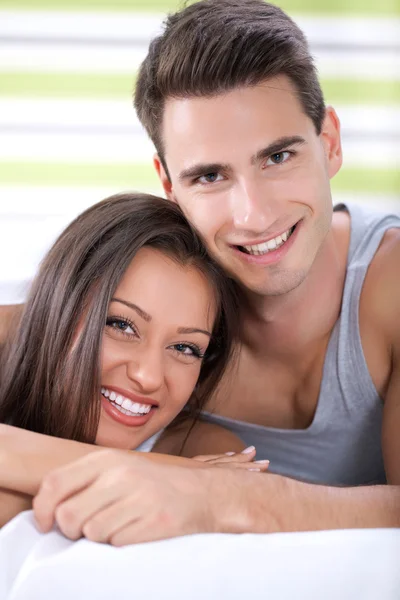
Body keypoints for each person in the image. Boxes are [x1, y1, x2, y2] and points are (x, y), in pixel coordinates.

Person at [1, 0, 399, 544]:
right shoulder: (139, 291)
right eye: (210, 175)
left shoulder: (390, 287)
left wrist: (228, 498)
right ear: (168, 183)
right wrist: (171, 477)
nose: (254, 215)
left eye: (278, 157)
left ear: (329, 143)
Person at [0, 191, 269, 530]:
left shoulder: (210, 451)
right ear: (60, 305)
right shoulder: (198, 471)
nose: (148, 377)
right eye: (122, 325)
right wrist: (170, 475)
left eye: (185, 348)